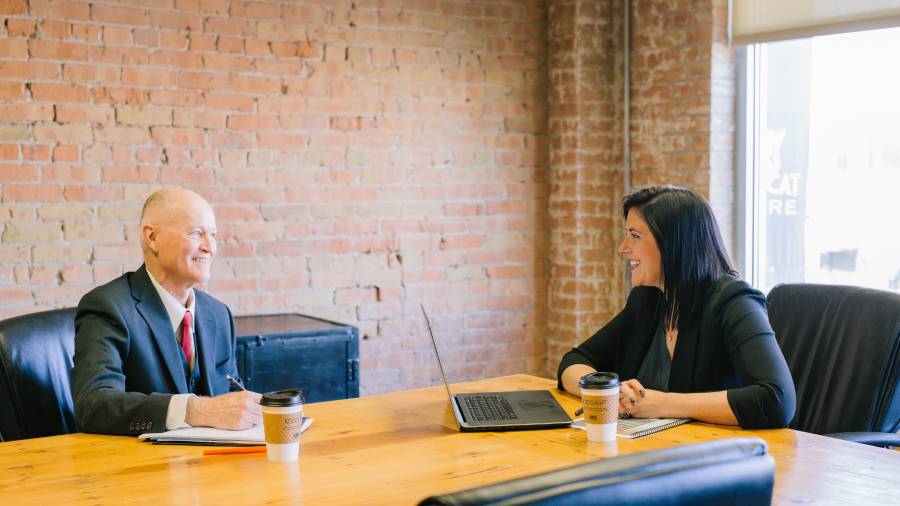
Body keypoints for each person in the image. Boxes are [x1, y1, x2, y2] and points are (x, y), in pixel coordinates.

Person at [557, 185, 796, 429]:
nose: (623, 248)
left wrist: (660, 404)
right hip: (657, 451)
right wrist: (606, 393)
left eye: (635, 235)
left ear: (673, 243)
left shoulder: (735, 302)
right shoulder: (648, 300)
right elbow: (575, 360)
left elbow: (776, 400)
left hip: (717, 455)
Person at [71, 188, 261, 435]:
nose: (210, 247)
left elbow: (230, 399)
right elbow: (93, 406)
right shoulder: (107, 307)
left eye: (213, 235)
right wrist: (195, 410)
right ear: (152, 238)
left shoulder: (219, 314)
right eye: (197, 233)